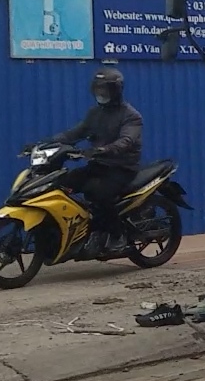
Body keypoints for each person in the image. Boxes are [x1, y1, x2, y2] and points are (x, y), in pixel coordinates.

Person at [53, 66, 143, 255]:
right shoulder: (95, 113)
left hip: (122, 167)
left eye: (105, 90)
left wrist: (105, 149)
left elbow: (126, 141)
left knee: (99, 194)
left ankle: (117, 234)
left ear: (116, 90)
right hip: (99, 164)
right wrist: (48, 142)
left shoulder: (131, 115)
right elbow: (76, 133)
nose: (101, 93)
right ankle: (83, 230)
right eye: (98, 89)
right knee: (60, 183)